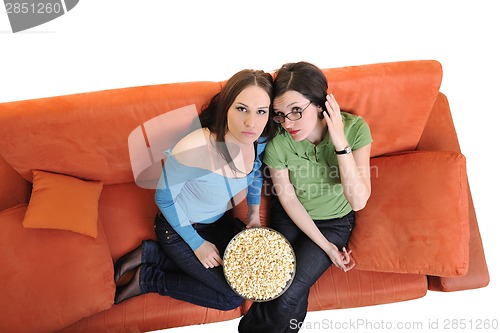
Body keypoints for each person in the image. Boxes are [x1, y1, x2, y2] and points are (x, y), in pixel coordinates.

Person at [113, 69, 277, 309]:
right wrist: (197, 244)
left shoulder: (257, 139)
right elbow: (164, 199)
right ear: (226, 107)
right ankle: (149, 278)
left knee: (246, 280)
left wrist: (253, 212)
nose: (251, 122)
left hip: (217, 223)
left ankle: (151, 255)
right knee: (230, 298)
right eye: (241, 108)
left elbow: (254, 173)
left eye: (261, 111)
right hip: (179, 229)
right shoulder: (196, 148)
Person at [238, 61, 372, 332]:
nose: (288, 123)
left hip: (334, 221)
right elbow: (288, 200)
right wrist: (326, 247)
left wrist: (339, 143)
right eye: (280, 114)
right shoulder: (278, 143)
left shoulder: (355, 129)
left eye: (296, 111)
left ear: (321, 104)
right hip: (290, 215)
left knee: (287, 293)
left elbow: (358, 201)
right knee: (276, 282)